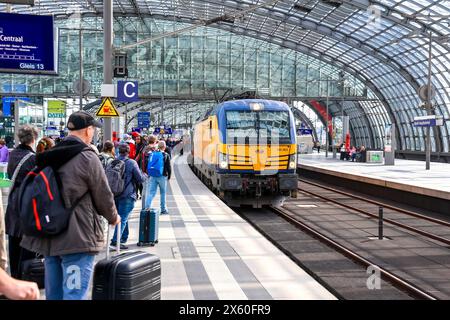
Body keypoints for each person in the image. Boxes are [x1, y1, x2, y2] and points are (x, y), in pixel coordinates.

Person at [20, 111, 120, 300]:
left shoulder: (51, 154)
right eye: (93, 130)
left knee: (54, 295)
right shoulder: (87, 157)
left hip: (50, 237)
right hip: (77, 239)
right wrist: (114, 217)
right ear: (88, 130)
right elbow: (103, 194)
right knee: (74, 295)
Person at [5, 125, 39, 279]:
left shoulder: (13, 155)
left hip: (13, 202)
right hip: (27, 202)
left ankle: (14, 277)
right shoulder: (32, 158)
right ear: (33, 139)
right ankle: (25, 278)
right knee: (27, 245)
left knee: (13, 242)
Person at [110, 144, 145, 250]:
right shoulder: (131, 162)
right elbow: (140, 178)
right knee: (123, 218)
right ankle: (115, 241)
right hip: (127, 194)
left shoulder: (112, 162)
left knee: (122, 216)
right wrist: (144, 176)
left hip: (115, 194)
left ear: (118, 151)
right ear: (128, 152)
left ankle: (123, 238)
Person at [145, 140, 172, 215]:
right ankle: (163, 209)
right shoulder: (166, 155)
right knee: (163, 193)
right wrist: (169, 176)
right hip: (162, 176)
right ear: (165, 147)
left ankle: (147, 207)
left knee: (151, 192)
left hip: (153, 176)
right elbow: (169, 167)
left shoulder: (153, 154)